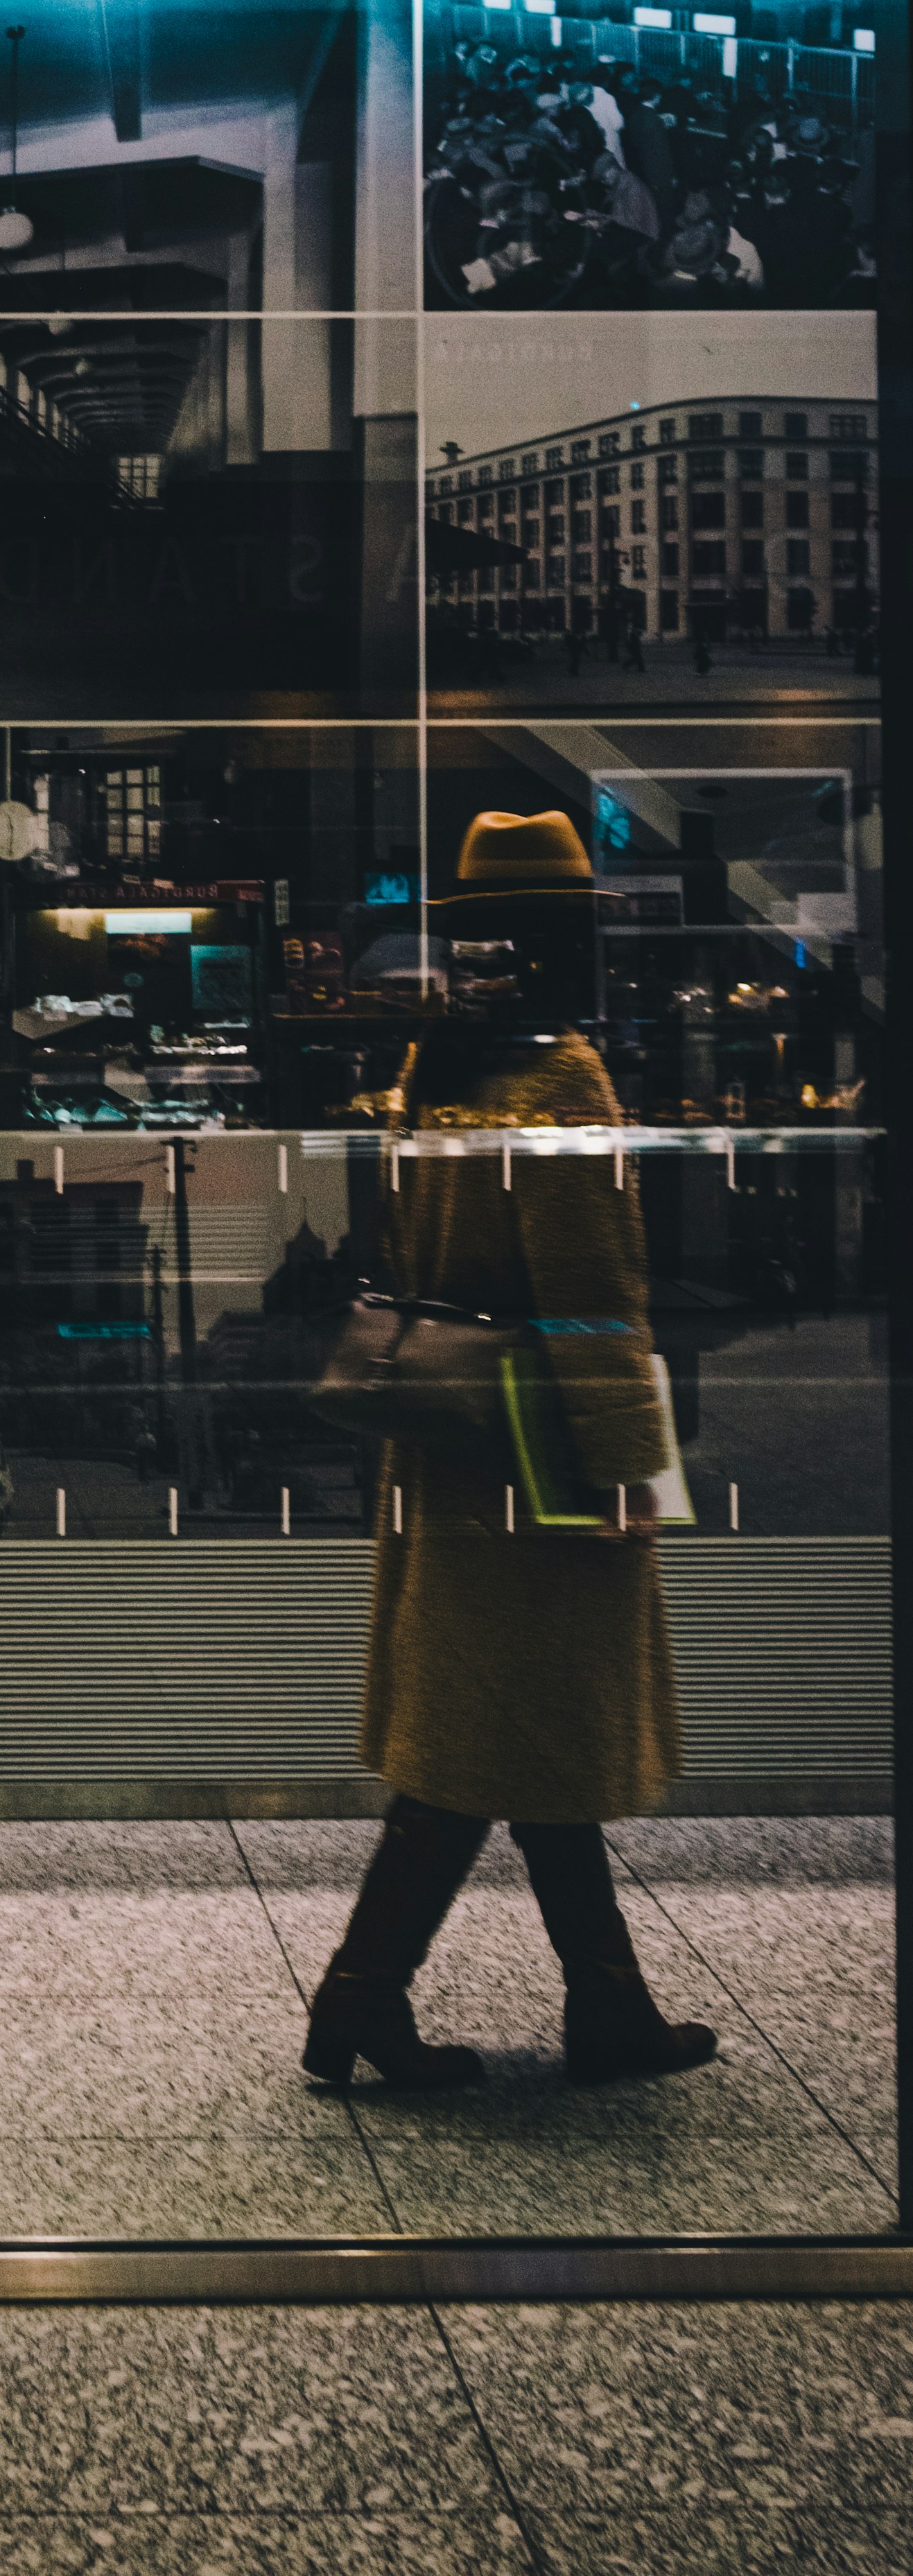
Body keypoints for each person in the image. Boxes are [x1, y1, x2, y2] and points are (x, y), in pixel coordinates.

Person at [302, 809, 718, 2096]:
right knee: (496, 1733)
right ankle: (358, 1999)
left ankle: (607, 2004)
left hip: (447, 1437)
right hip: (547, 1450)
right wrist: (633, 1469)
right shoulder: (563, 1077)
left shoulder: (441, 1060)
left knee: (516, 1724)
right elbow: (593, 1292)